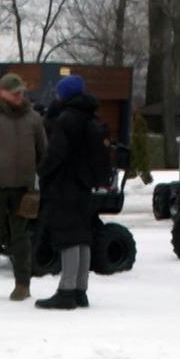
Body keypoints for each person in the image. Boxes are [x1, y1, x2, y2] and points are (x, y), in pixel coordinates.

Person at [35, 74, 110, 310]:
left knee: (68, 237)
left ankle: (66, 290)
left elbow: (56, 154)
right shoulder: (89, 117)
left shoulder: (67, 119)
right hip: (83, 185)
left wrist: (43, 172)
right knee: (82, 236)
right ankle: (80, 289)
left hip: (64, 185)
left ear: (64, 94)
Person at [0, 72, 46, 300]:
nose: (19, 96)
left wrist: (37, 183)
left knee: (21, 239)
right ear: (1, 93)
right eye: (15, 93)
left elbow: (43, 152)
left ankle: (23, 284)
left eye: (21, 92)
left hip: (23, 189)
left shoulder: (33, 119)